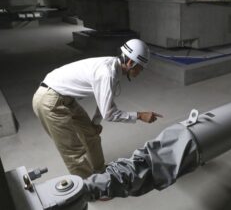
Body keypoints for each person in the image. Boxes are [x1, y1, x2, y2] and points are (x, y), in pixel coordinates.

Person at [32, 39, 162, 179]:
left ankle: (100, 171)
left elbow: (105, 102)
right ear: (131, 63)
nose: (140, 72)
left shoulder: (113, 66)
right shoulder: (107, 73)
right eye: (140, 68)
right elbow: (109, 114)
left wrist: (95, 124)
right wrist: (139, 115)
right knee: (74, 152)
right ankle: (92, 188)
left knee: (91, 133)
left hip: (65, 97)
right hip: (49, 101)